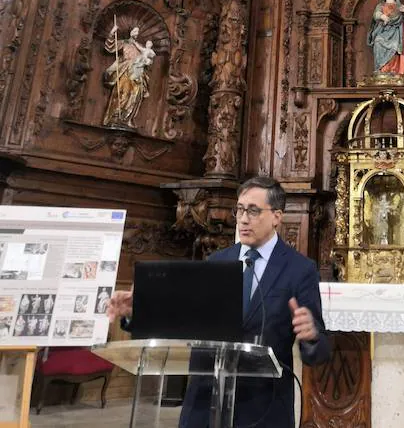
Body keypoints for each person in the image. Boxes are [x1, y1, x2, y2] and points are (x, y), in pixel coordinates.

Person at [108, 176, 330, 428]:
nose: (243, 219)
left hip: (263, 407)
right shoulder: (216, 262)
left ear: (277, 216)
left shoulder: (299, 269)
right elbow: (182, 321)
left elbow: (319, 351)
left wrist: (311, 336)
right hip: (205, 403)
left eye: (253, 211)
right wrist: (138, 313)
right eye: (240, 210)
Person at [102, 26, 155, 128]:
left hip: (137, 72)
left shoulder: (140, 46)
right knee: (123, 92)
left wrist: (146, 62)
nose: (136, 32)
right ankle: (116, 115)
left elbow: (147, 58)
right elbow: (110, 47)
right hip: (126, 70)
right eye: (134, 30)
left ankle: (128, 118)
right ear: (130, 32)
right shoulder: (124, 42)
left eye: (138, 31)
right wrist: (112, 32)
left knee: (136, 96)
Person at [367, 0, 404, 76]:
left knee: (396, 47)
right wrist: (381, 16)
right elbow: (375, 15)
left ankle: (394, 70)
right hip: (383, 30)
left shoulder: (400, 6)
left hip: (397, 32)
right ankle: (381, 69)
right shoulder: (380, 5)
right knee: (377, 42)